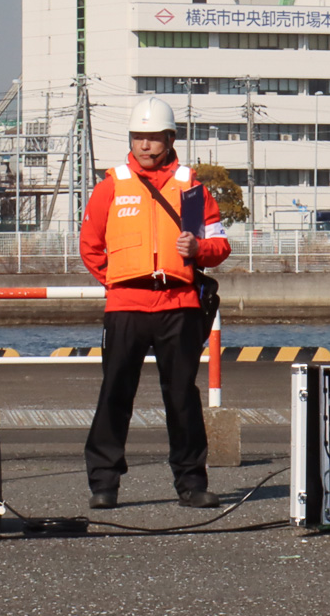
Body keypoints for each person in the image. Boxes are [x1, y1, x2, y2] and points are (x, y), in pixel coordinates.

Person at [78, 97, 230, 510]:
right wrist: (117, 282)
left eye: (153, 138)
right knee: (114, 394)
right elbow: (90, 246)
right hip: (126, 306)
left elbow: (218, 245)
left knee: (181, 396)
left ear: (169, 138)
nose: (145, 146)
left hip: (179, 305)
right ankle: (104, 484)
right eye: (138, 137)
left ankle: (191, 483)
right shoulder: (112, 184)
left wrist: (198, 247)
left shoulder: (191, 187)